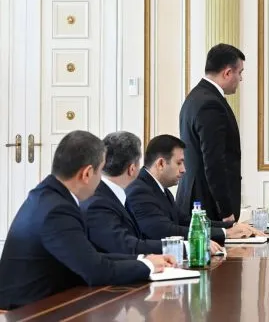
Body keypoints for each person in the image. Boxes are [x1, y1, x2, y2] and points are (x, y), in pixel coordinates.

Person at [0, 130, 173, 310]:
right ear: (87, 174)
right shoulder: (57, 211)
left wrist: (143, 258)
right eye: (100, 172)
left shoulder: (49, 195)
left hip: (47, 300)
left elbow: (89, 256)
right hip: (27, 311)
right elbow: (95, 271)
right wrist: (147, 266)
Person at [125, 134, 257, 249]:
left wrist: (231, 226)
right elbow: (164, 231)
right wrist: (226, 233)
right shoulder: (139, 190)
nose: (184, 169)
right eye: (179, 163)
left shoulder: (160, 189)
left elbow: (185, 221)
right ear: (161, 164)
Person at [176, 43, 245, 224]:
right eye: (240, 73)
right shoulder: (211, 104)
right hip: (207, 203)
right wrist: (226, 211)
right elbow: (214, 161)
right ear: (227, 73)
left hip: (198, 197)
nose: (240, 79)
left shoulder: (196, 96)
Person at [81, 131, 163, 255]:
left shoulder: (111, 194)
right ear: (132, 169)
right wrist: (178, 246)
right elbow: (126, 246)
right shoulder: (97, 204)